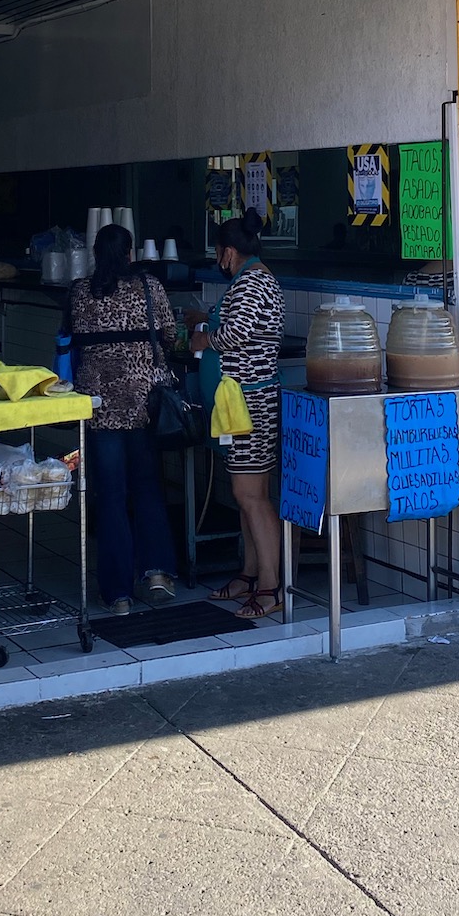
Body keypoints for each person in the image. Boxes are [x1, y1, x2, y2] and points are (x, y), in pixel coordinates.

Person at [67, 222, 180, 615]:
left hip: (99, 406)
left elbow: (68, 338)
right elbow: (169, 336)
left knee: (111, 495)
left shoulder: (81, 292)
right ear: (130, 254)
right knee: (148, 486)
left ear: (97, 254)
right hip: (144, 402)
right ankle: (158, 574)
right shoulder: (149, 287)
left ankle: (118, 593)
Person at [192, 209, 286, 619]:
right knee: (246, 495)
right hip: (243, 401)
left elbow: (235, 334)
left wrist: (203, 336)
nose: (218, 261)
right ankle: (250, 575)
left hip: (252, 403)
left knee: (252, 497)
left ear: (228, 252)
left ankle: (270, 586)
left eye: (219, 254)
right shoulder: (255, 280)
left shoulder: (253, 282)